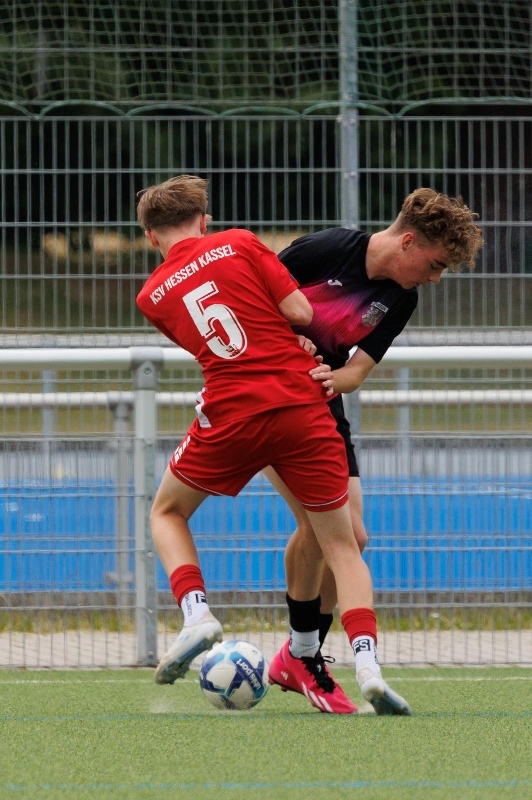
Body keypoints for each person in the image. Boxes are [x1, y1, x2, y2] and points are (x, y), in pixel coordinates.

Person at [135, 174, 411, 716]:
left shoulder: (151, 296)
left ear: (150, 237)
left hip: (232, 411)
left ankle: (197, 614)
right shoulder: (239, 242)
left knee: (167, 511)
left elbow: (212, 342)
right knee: (344, 544)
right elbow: (300, 314)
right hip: (300, 403)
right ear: (205, 221)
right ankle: (368, 667)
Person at [264, 188, 484, 710]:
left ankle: (299, 654)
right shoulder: (326, 250)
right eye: (435, 264)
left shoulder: (402, 298)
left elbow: (355, 372)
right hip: (270, 396)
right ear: (407, 242)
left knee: (354, 538)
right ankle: (302, 656)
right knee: (321, 528)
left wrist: (327, 378)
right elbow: (250, 301)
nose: (436, 278)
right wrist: (288, 343)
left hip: (323, 404)